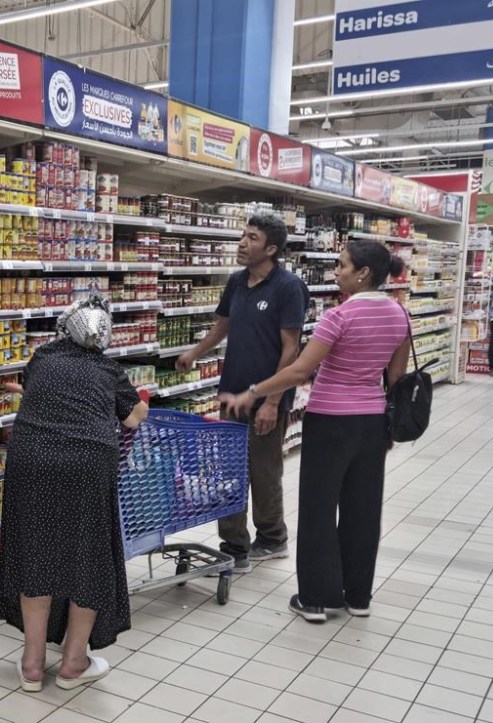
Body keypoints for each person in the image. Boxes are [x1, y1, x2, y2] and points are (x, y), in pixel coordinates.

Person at [220, 240, 411, 623]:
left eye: (341, 266)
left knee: (319, 509)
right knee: (363, 509)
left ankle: (316, 599)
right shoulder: (399, 316)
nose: (335, 272)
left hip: (330, 421)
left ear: (363, 274)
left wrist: (253, 392)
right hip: (372, 422)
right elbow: (395, 379)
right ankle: (358, 597)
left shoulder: (338, 317)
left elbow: (299, 370)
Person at [0, 293, 149, 692]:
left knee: (36, 551)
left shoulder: (43, 358)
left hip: (32, 461)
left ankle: (32, 664)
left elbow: (33, 392)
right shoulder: (108, 369)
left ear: (64, 329)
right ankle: (73, 663)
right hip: (86, 465)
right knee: (89, 557)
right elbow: (133, 416)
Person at [176, 215, 309, 572]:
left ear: (271, 249)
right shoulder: (236, 282)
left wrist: (271, 401)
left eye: (251, 238)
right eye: (242, 236)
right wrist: (194, 353)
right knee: (227, 472)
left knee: (263, 472)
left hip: (266, 399)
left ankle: (272, 539)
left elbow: (291, 349)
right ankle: (234, 547)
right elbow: (224, 326)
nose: (241, 243)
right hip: (231, 394)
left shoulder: (288, 287)